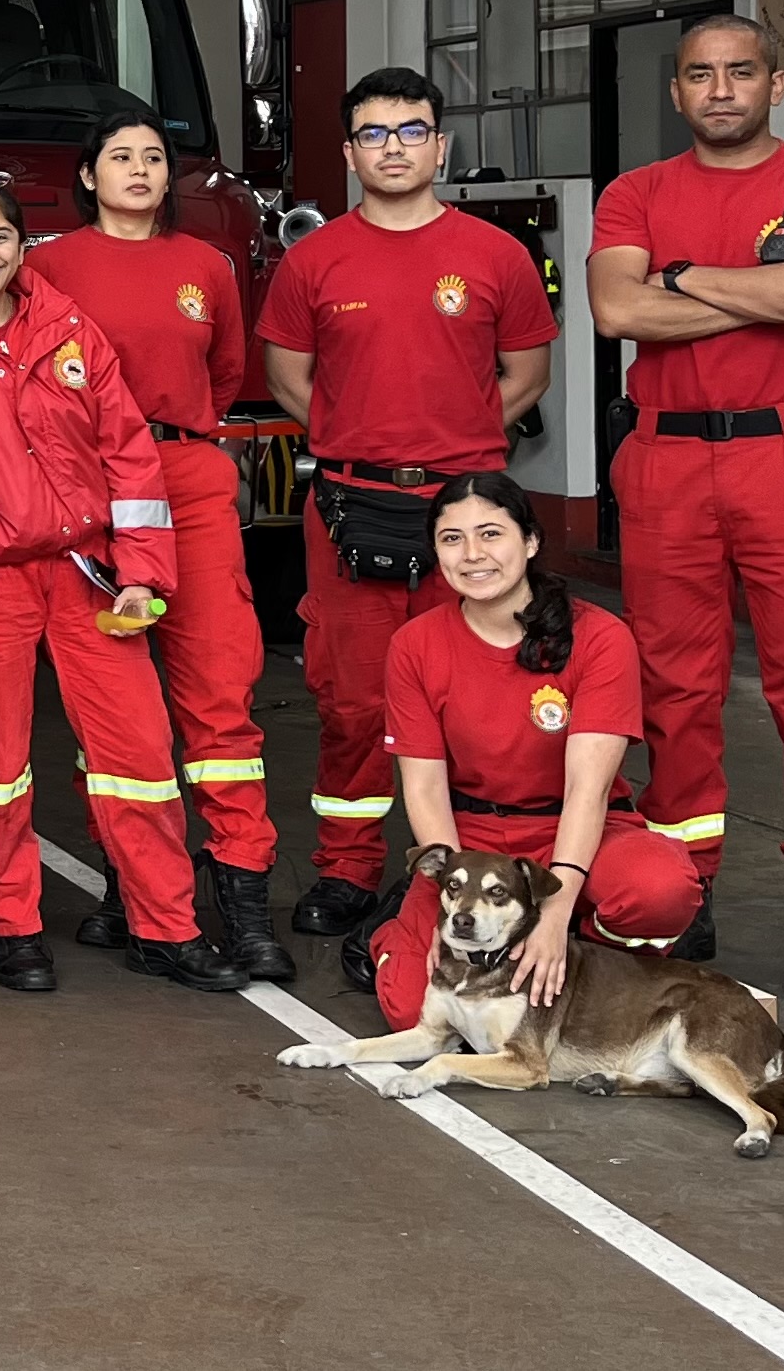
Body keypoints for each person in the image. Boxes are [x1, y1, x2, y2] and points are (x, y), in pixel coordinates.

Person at [582, 14, 784, 1001]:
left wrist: (687, 281)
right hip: (666, 461)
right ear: (676, 93)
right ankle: (683, 894)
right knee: (675, 693)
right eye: (700, 75)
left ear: (777, 82)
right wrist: (767, 290)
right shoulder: (636, 193)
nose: (720, 90)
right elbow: (618, 312)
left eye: (740, 72)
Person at [0, 185, 248, 996]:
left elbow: (130, 455)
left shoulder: (70, 331)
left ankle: (164, 926)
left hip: (87, 577)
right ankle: (11, 927)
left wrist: (141, 575)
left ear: (24, 246)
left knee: (139, 758)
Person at [258, 67, 556, 940]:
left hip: (467, 512)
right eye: (376, 134)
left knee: (478, 693)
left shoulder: (495, 254)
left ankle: (472, 871)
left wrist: (450, 447)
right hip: (350, 505)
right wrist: (365, 441)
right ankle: (348, 870)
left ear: (442, 145)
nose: (395, 147)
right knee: (351, 703)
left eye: (412, 130)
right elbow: (287, 377)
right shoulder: (313, 258)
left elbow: (527, 373)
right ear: (350, 153)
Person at [30, 111, 289, 979]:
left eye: (153, 158)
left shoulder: (207, 267)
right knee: (111, 715)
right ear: (88, 176)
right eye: (120, 157)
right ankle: (126, 884)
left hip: (189, 479)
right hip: (90, 494)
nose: (139, 170)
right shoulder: (48, 266)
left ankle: (243, 898)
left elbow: (219, 376)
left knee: (220, 694)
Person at [351, 473, 704, 1024]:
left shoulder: (600, 637)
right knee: (407, 1011)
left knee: (658, 893)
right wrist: (452, 888)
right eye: (452, 539)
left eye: (491, 534)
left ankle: (586, 956)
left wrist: (556, 911)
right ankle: (393, 928)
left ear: (531, 541)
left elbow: (587, 791)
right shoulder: (415, 646)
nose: (472, 555)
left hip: (578, 827)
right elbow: (422, 785)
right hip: (475, 843)